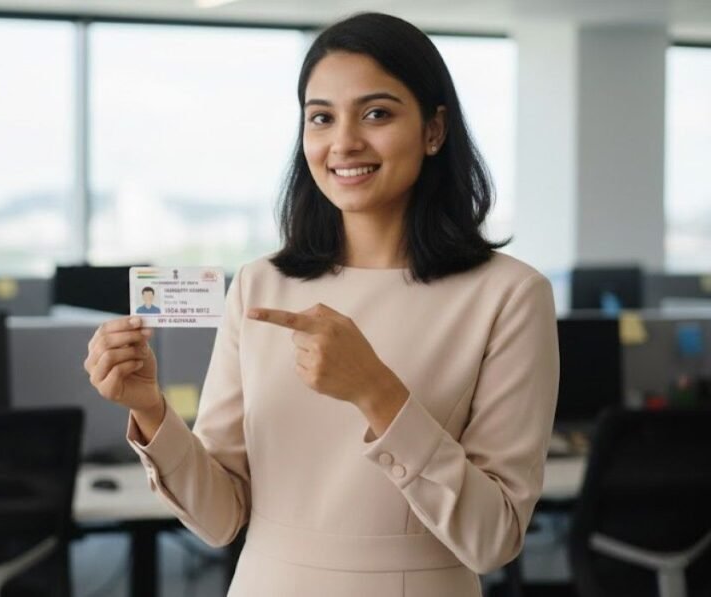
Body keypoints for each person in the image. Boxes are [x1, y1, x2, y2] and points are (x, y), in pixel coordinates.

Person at [83, 12, 558, 597]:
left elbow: (494, 538)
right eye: (322, 118)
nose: (344, 142)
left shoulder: (509, 295)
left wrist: (376, 391)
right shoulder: (260, 285)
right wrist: (152, 412)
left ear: (435, 130)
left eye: (377, 113)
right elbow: (220, 518)